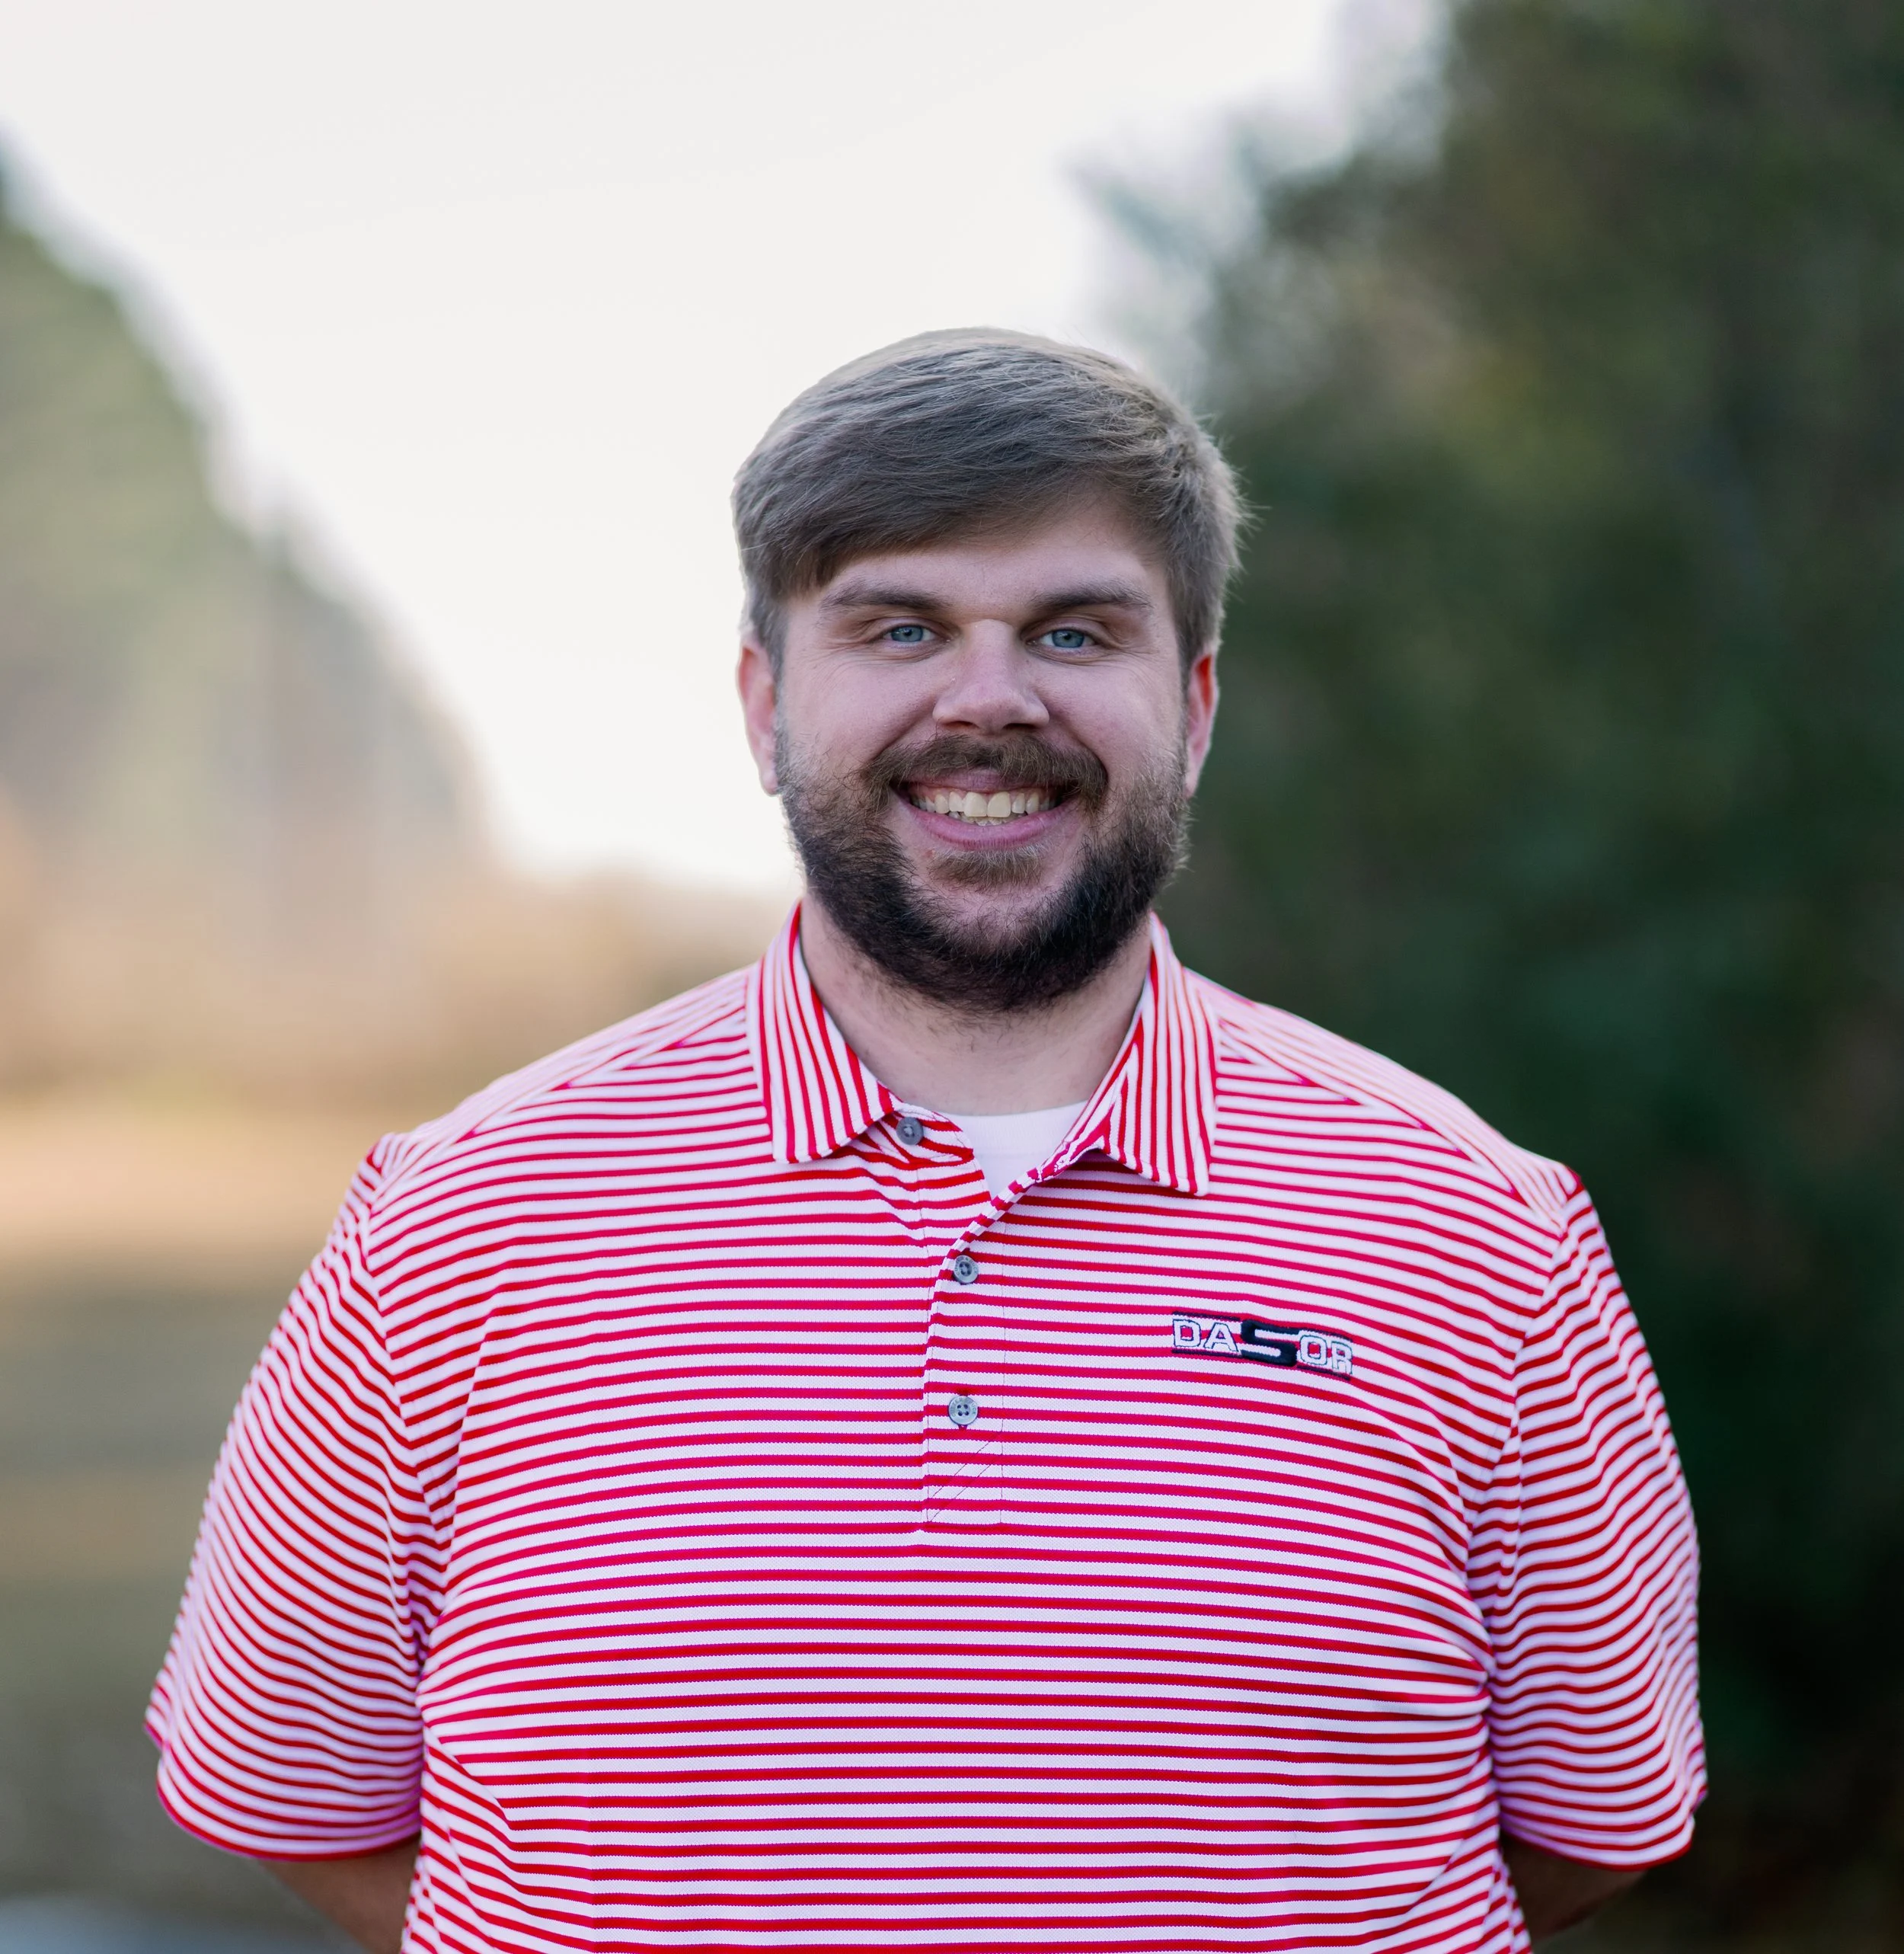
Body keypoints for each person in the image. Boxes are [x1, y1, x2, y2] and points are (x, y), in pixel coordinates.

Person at [148, 331, 1704, 1954]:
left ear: (1193, 704)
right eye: (897, 624)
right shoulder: (454, 1226)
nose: (987, 695)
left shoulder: (1478, 1234)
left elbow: (1587, 1832)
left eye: (1072, 628)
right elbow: (297, 1802)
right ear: (764, 703)